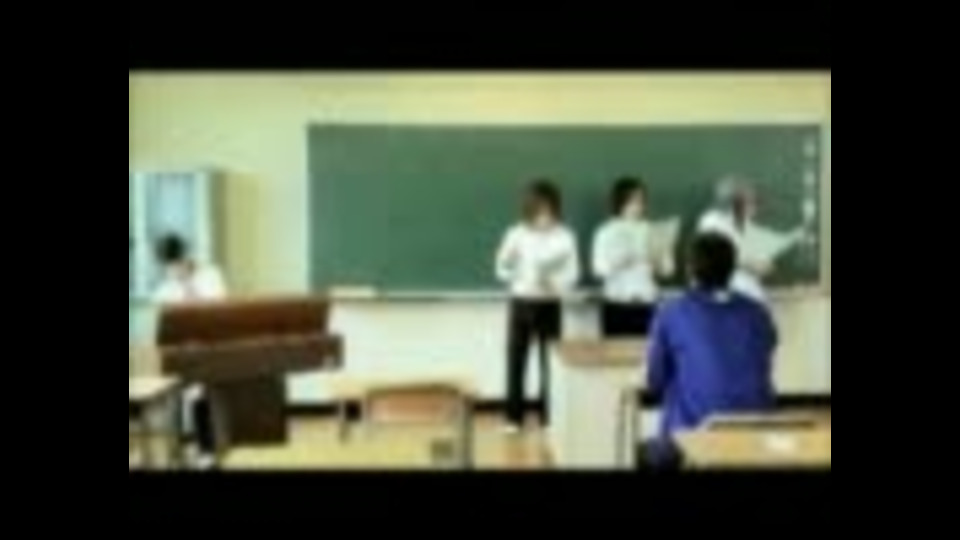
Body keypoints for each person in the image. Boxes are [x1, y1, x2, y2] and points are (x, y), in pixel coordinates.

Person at [640, 232, 778, 468]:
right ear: (732, 269)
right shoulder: (758, 312)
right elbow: (766, 351)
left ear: (690, 270)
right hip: (756, 435)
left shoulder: (672, 312)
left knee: (648, 452)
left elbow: (655, 380)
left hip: (697, 438)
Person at [495, 180, 580, 434]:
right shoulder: (515, 234)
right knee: (515, 360)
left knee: (550, 364)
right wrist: (516, 272)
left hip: (549, 304)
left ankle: (549, 417)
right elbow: (500, 269)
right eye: (540, 212)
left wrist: (555, 283)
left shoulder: (565, 236)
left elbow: (573, 274)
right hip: (521, 302)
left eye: (550, 211)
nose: (545, 218)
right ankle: (513, 418)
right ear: (529, 210)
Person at [152, 233, 228, 467]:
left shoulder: (211, 275)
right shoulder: (164, 290)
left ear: (187, 254)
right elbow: (164, 329)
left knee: (199, 391)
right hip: (181, 352)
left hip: (212, 348)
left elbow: (220, 311)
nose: (175, 270)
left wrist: (189, 286)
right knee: (181, 389)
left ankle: (207, 450)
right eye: (169, 266)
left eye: (178, 262)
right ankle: (182, 450)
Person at [591, 177, 672, 336]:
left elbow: (668, 270)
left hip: (647, 300)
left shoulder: (652, 230)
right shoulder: (605, 232)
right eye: (632, 201)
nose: (637, 206)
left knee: (648, 349)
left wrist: (658, 263)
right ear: (619, 202)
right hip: (616, 301)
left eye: (641, 201)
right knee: (616, 350)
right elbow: (598, 269)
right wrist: (620, 262)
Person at [697, 177, 770, 302]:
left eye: (754, 202)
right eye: (749, 203)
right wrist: (748, 264)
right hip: (719, 292)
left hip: (747, 290)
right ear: (733, 204)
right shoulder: (712, 221)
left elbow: (760, 258)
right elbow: (714, 258)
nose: (754, 208)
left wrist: (764, 264)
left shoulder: (748, 225)